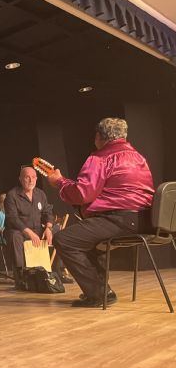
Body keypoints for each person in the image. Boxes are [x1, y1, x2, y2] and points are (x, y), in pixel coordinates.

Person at [47, 117, 155, 307]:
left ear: (99, 136)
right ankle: (101, 291)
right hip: (145, 220)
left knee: (64, 240)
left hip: (119, 219)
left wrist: (59, 182)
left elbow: (83, 193)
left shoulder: (100, 157)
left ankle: (98, 294)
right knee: (89, 240)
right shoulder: (139, 157)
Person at [4, 167, 54, 289]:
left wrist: (48, 228)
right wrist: (29, 233)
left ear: (36, 178)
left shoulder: (40, 194)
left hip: (38, 228)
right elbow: (13, 219)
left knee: (59, 234)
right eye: (27, 177)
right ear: (21, 179)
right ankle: (21, 276)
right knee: (15, 237)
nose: (31, 180)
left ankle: (56, 271)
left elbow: (48, 212)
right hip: (20, 230)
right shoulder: (12, 195)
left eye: (33, 177)